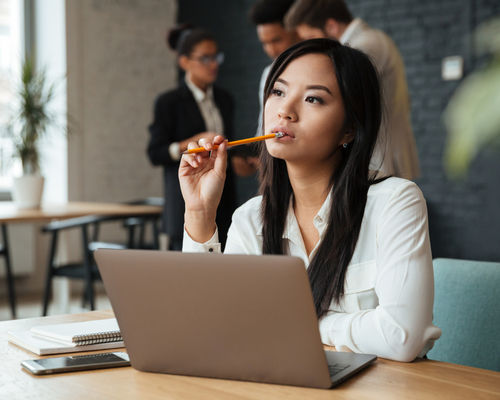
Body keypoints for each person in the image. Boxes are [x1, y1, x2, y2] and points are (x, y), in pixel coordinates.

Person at [179, 39, 441, 361]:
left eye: (313, 99)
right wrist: (200, 213)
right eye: (277, 92)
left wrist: (292, 323)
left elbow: (402, 336)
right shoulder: (250, 219)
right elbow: (212, 327)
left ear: (349, 129)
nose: (285, 111)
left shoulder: (395, 203)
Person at [285, 0, 420, 180]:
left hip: (381, 159)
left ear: (331, 26)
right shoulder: (369, 40)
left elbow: (335, 92)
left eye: (311, 37)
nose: (312, 46)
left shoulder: (363, 46)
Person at [147, 25, 238, 250]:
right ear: (185, 62)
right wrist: (189, 144)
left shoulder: (225, 99)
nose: (214, 64)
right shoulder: (168, 102)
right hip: (185, 202)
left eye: (216, 56)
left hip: (224, 200)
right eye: (205, 58)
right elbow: (155, 152)